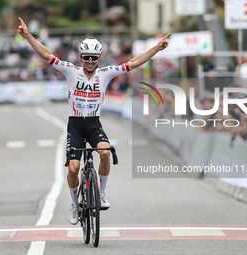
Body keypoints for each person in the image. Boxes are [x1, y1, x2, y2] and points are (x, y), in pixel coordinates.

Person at [17, 17, 171, 225]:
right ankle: (74, 204)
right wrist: (28, 36)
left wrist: (156, 49)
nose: (90, 61)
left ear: (99, 58)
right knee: (72, 168)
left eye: (94, 57)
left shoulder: (105, 74)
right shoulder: (71, 71)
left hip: (93, 124)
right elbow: (47, 55)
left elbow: (134, 62)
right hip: (75, 125)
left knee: (106, 153)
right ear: (81, 57)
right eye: (87, 57)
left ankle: (102, 194)